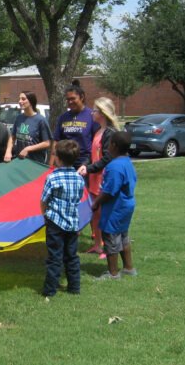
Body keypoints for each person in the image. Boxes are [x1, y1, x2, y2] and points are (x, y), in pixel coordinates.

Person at [40, 140, 85, 297]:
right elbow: (78, 199)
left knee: (54, 257)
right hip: (72, 223)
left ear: (57, 158)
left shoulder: (52, 178)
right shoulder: (79, 179)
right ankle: (74, 287)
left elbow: (44, 199)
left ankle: (50, 290)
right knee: (72, 256)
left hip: (55, 223)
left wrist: (45, 215)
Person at [92, 131, 138, 280]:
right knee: (123, 235)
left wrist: (96, 202)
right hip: (127, 205)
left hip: (115, 208)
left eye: (109, 143)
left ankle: (113, 273)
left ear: (114, 146)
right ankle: (128, 268)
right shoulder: (127, 162)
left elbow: (109, 191)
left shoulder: (114, 166)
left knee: (111, 238)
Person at [77, 97, 119, 258]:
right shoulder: (98, 131)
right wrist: (85, 165)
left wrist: (89, 168)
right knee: (95, 212)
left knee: (105, 213)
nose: (92, 112)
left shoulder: (110, 133)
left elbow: (107, 158)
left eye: (95, 110)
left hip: (104, 178)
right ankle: (97, 245)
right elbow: (92, 154)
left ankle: (109, 248)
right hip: (94, 178)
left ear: (102, 113)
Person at [51, 81, 100, 168]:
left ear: (82, 97)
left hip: (84, 162)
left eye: (73, 98)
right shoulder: (63, 117)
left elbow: (97, 141)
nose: (70, 102)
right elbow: (56, 141)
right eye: (68, 99)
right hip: (65, 161)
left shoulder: (92, 116)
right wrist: (52, 164)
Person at [3, 92, 52, 164]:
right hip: (20, 161)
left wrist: (28, 149)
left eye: (23, 99)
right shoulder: (19, 118)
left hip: (35, 162)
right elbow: (12, 137)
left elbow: (47, 143)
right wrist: (8, 151)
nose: (20, 101)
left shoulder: (41, 120)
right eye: (19, 99)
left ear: (31, 101)